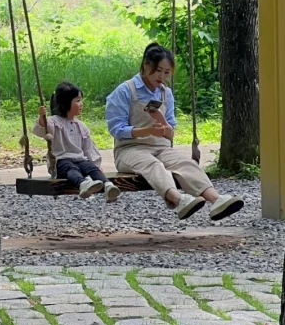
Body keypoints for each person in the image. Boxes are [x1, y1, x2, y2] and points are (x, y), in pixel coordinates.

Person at [105, 43, 243, 221]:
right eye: (158, 71)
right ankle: (180, 200)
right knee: (154, 165)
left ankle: (217, 200)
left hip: (161, 148)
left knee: (186, 164)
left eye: (167, 72)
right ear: (146, 65)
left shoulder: (166, 93)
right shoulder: (125, 91)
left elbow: (170, 133)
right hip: (130, 150)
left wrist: (163, 124)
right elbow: (116, 129)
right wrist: (147, 130)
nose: (162, 77)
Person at [35, 81, 122, 202]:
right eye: (77, 100)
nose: (81, 104)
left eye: (81, 100)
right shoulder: (54, 122)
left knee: (90, 167)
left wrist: (96, 165)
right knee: (71, 168)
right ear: (65, 103)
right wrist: (42, 117)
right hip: (60, 161)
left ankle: (108, 185)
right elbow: (42, 129)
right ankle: (83, 184)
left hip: (79, 160)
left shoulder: (81, 127)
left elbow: (88, 148)